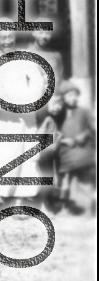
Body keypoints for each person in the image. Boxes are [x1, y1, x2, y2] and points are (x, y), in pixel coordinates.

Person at [0, 30, 40, 205]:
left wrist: (25, 101)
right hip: (2, 117)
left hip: (25, 115)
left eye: (10, 36)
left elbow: (37, 84)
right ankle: (0, 196)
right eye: (3, 37)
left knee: (25, 154)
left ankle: (21, 198)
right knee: (3, 155)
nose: (7, 41)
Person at [57, 81, 95, 213]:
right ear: (63, 97)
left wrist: (80, 138)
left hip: (81, 150)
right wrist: (62, 141)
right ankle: (64, 206)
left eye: (75, 95)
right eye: (69, 95)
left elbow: (92, 129)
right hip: (65, 153)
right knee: (64, 182)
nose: (73, 98)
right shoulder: (59, 114)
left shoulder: (84, 112)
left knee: (85, 181)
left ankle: (88, 209)